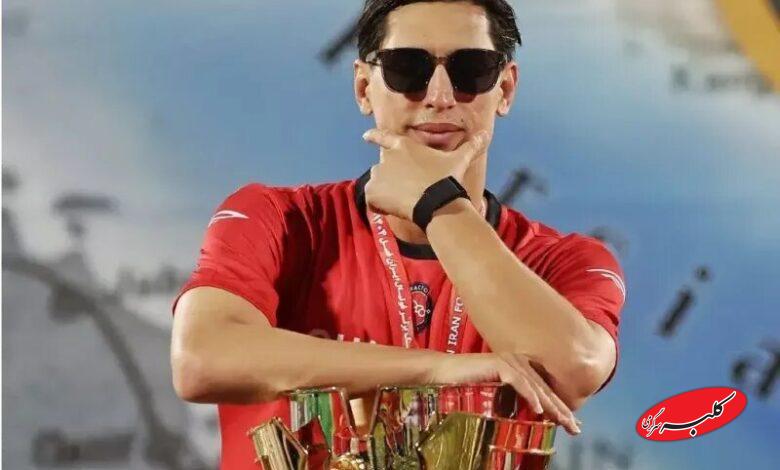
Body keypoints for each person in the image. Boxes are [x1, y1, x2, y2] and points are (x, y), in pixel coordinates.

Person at [170, 1, 626, 468]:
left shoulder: (566, 259)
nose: (439, 96)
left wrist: (439, 204)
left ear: (505, 89)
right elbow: (200, 358)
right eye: (408, 68)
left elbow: (574, 371)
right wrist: (440, 371)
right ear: (364, 87)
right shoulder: (279, 219)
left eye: (471, 70)